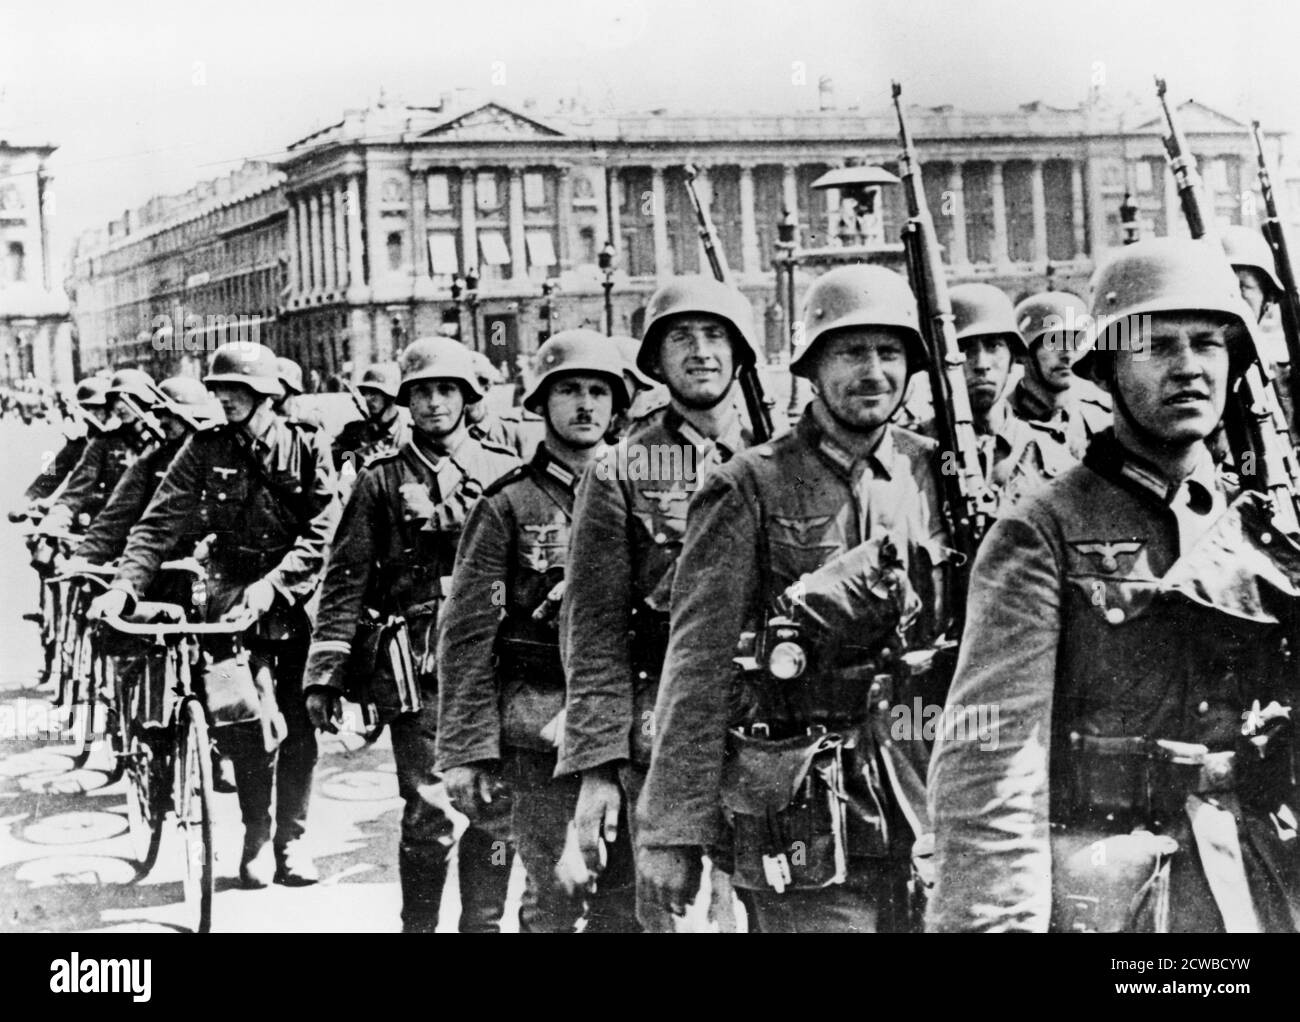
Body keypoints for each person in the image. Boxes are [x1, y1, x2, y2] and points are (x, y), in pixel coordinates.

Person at [927, 238, 1300, 933]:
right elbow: (994, 760)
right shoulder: (1042, 529)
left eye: (1207, 344)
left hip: (1253, 875)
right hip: (1107, 886)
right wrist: (996, 922)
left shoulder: (1262, 524)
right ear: (1106, 369)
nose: (1188, 366)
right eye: (1156, 346)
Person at [635, 264, 948, 933]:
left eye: (889, 352)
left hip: (925, 794)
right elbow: (698, 665)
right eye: (850, 352)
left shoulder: (939, 474)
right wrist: (671, 830)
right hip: (803, 800)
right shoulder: (749, 483)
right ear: (810, 367)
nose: (872, 371)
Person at [89, 343, 338, 889]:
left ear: (264, 394)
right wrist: (124, 586)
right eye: (219, 390)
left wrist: (276, 585)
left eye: (236, 391)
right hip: (227, 598)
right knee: (239, 718)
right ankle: (255, 834)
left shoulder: (305, 444)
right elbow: (157, 522)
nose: (224, 399)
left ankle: (291, 841)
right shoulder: (205, 447)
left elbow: (324, 527)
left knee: (296, 724)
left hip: (294, 600)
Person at [558, 275, 758, 930]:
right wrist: (595, 767)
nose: (701, 351)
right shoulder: (618, 472)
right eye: (681, 337)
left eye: (716, 335)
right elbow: (593, 631)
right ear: (655, 360)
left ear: (741, 351)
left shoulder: (783, 457)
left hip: (773, 731)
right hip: (661, 731)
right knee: (669, 918)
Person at [302, 336, 520, 933]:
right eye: (420, 392)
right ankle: (417, 927)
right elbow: (344, 578)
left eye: (446, 390)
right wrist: (326, 673)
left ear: (467, 396)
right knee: (428, 811)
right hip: (418, 662)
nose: (433, 404)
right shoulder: (380, 481)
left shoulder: (504, 472)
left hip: (500, 658)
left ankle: (484, 926)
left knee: (496, 810)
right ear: (405, 402)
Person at [437, 330, 631, 932]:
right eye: (568, 390)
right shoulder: (508, 505)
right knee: (555, 896)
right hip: (542, 729)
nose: (585, 404)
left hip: (630, 724)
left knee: (630, 904)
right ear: (542, 404)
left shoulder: (643, 494)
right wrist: (467, 751)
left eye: (599, 391)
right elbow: (467, 636)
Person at [942, 282, 1075, 513]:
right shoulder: (918, 454)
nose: (982, 364)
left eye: (994, 346)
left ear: (1014, 357)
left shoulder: (1052, 455)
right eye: (964, 349)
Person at [42, 368, 163, 532]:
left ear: (145, 401)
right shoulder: (103, 443)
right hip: (110, 528)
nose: (119, 406)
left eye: (128, 399)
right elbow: (78, 483)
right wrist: (59, 514)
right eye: (115, 400)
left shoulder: (165, 443)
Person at [1009, 291, 1111, 459]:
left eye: (1076, 341)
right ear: (1025, 353)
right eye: (1054, 342)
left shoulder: (1101, 420)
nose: (1068, 354)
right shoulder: (1001, 424)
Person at [16, 377, 114, 512]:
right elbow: (50, 476)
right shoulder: (78, 445)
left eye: (101, 408)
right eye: (89, 408)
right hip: (80, 514)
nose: (95, 414)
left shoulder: (121, 444)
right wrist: (27, 499)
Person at [331, 362, 407, 472]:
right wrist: (353, 457)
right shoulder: (354, 433)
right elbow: (344, 477)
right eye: (365, 393)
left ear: (390, 396)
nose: (367, 398)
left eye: (373, 392)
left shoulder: (408, 435)